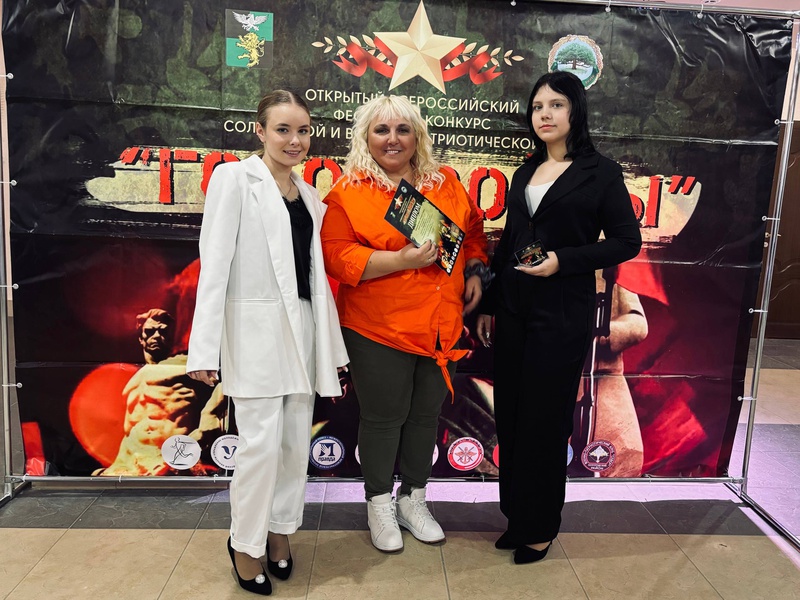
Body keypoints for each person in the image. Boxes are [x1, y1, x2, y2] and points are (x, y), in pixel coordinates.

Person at [476, 71, 641, 564]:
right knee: (511, 415)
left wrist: (562, 261)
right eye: (537, 106)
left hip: (562, 311)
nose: (544, 114)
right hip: (514, 310)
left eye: (556, 105)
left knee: (545, 422)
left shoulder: (601, 173)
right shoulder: (525, 172)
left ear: (576, 112)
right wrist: (489, 304)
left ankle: (541, 527)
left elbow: (626, 241)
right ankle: (516, 517)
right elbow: (510, 242)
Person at [186, 90, 348, 595]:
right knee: (258, 447)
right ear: (260, 131)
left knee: (294, 444)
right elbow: (213, 267)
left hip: (303, 328)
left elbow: (315, 279)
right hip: (253, 332)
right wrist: (203, 348)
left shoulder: (311, 194)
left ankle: (280, 532)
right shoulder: (234, 179)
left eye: (303, 131)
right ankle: (244, 544)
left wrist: (330, 347)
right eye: (283, 130)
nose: (295, 140)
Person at [321, 95, 488, 553]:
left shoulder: (445, 182)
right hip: (378, 328)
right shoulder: (348, 191)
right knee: (382, 418)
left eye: (403, 129)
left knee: (424, 417)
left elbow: (473, 231)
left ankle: (414, 499)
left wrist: (476, 270)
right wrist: (400, 260)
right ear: (365, 137)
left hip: (441, 328)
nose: (392, 139)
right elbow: (336, 255)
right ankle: (378, 503)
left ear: (418, 136)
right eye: (381, 130)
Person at [98, 308, 227, 476]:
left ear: (172, 338)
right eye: (150, 331)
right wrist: (118, 463)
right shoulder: (131, 383)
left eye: (163, 331)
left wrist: (209, 416)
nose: (157, 336)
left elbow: (228, 379)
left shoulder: (186, 364)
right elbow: (130, 430)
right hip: (135, 463)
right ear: (141, 338)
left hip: (174, 457)